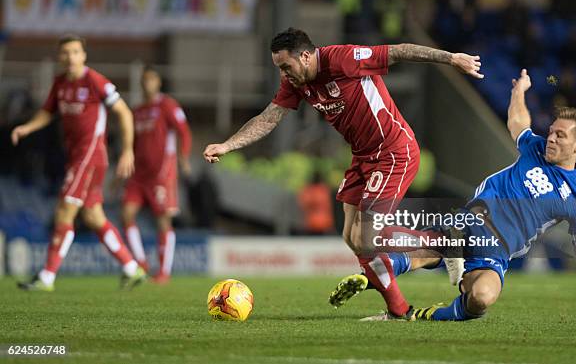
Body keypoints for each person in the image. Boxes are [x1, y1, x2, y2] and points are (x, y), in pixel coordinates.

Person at [203, 27, 483, 318]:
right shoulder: (296, 83)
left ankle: (443, 241)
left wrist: (451, 59)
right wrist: (228, 145)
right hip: (363, 157)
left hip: (393, 150)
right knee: (352, 237)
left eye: (287, 66)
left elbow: (399, 51)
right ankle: (398, 311)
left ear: (307, 56)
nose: (284, 74)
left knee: (366, 237)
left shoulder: (343, 59)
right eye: (280, 69)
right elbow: (269, 117)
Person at [333, 69, 576, 322]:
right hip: (471, 222)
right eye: (552, 131)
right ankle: (376, 278)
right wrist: (519, 91)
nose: (551, 138)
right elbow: (518, 121)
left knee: (482, 298)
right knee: (423, 247)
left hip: (497, 253)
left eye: (560, 136)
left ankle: (418, 309)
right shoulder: (535, 148)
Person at [11, 34, 146, 291]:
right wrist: (27, 128)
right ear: (60, 57)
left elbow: (124, 112)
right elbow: (47, 112)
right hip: (76, 157)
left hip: (90, 156)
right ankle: (132, 268)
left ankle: (46, 277)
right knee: (94, 217)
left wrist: (128, 150)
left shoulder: (95, 81)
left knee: (64, 211)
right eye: (66, 53)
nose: (70, 57)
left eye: (75, 52)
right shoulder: (60, 83)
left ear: (83, 55)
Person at [121, 66, 192, 284]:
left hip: (162, 172)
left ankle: (163, 272)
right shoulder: (136, 111)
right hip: (138, 174)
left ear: (158, 83)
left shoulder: (167, 105)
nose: (147, 84)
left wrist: (183, 157)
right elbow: (129, 143)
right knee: (126, 214)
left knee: (163, 220)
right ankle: (141, 262)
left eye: (151, 80)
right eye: (144, 80)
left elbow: (184, 131)